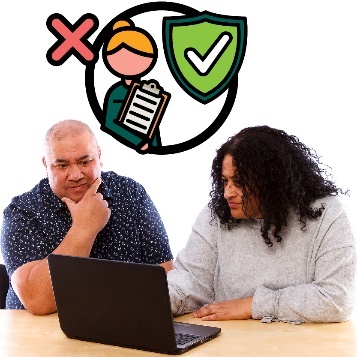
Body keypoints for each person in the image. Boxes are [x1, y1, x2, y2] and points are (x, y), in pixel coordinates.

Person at [167, 125, 356, 324]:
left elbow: (337, 299)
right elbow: (190, 281)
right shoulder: (215, 215)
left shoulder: (326, 214)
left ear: (271, 182)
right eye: (225, 181)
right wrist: (156, 300)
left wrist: (252, 305)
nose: (227, 193)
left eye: (238, 182)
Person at [0, 119, 173, 314]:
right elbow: (38, 301)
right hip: (39, 337)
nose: (75, 174)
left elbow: (164, 278)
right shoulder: (22, 212)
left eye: (85, 162)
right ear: (45, 164)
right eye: (62, 165)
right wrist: (84, 228)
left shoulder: (131, 194)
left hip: (119, 326)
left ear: (99, 156)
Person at [102, 19, 160, 152]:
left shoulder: (148, 89)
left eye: (141, 56)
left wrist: (154, 146)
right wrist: (138, 141)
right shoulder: (116, 92)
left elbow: (153, 126)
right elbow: (110, 124)